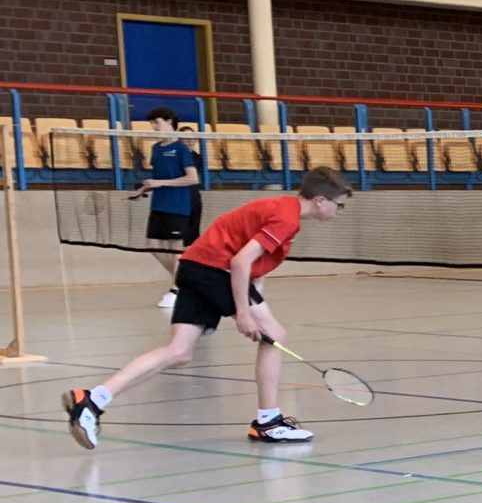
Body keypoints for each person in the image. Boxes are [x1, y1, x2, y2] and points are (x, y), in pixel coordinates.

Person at [63, 167, 353, 449]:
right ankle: (269, 422)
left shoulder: (283, 209)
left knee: (179, 351)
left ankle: (92, 400)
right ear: (320, 200)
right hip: (214, 269)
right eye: (339, 205)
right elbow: (240, 262)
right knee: (275, 334)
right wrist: (243, 314)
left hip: (195, 266)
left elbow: (255, 268)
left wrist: (254, 306)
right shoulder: (286, 219)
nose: (339, 211)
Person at [129, 108, 203, 310]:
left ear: (169, 122)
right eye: (152, 123)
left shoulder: (181, 149)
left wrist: (160, 183)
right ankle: (186, 280)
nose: (154, 127)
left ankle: (176, 290)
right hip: (158, 203)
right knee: (152, 244)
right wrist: (143, 189)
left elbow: (192, 178)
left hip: (178, 204)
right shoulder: (156, 148)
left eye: (157, 122)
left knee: (175, 248)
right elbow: (158, 177)